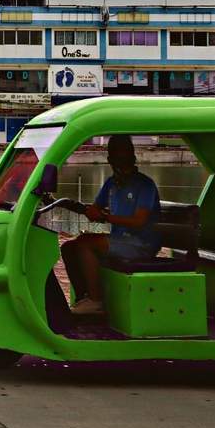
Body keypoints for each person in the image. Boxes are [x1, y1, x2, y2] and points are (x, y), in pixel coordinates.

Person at [59, 135, 162, 315]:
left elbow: (139, 220)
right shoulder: (111, 183)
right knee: (69, 247)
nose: (120, 162)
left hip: (141, 244)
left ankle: (95, 301)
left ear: (132, 156)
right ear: (109, 159)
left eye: (124, 155)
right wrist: (83, 209)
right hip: (119, 241)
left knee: (85, 244)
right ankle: (84, 297)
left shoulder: (145, 185)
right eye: (116, 156)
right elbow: (95, 208)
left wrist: (107, 217)